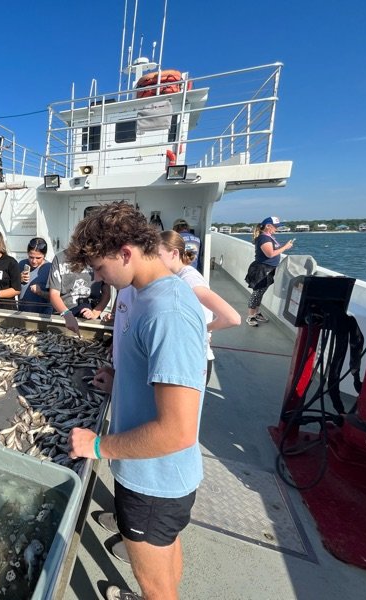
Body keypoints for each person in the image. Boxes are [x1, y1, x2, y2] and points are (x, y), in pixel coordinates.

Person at [65, 201, 206, 600]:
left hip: (154, 483)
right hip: (165, 481)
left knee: (156, 586)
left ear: (126, 252)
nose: (98, 278)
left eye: (98, 268)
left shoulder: (166, 311)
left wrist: (96, 445)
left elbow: (177, 431)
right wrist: (121, 381)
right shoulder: (150, 293)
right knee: (166, 551)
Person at [159, 230, 241, 383]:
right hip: (186, 356)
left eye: (158, 256)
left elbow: (232, 318)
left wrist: (205, 329)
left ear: (174, 253)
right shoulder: (177, 276)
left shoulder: (190, 280)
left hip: (194, 361)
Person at [244, 216, 294, 327]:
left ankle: (256, 313)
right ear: (268, 226)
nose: (276, 229)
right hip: (262, 270)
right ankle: (250, 316)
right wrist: (285, 247)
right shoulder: (264, 238)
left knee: (261, 292)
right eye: (275, 227)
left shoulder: (269, 237)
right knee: (257, 293)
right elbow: (270, 254)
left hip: (269, 269)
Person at [48, 248, 112, 319]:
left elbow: (107, 293)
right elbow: (54, 294)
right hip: (64, 313)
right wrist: (67, 314)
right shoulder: (60, 258)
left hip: (90, 312)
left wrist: (95, 313)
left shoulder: (99, 257)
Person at [17, 237, 53, 314]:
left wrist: (41, 292)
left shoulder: (51, 268)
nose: (34, 261)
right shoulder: (21, 264)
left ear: (44, 255)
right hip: (22, 313)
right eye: (31, 257)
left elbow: (56, 297)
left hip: (42, 315)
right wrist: (18, 279)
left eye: (38, 258)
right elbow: (12, 288)